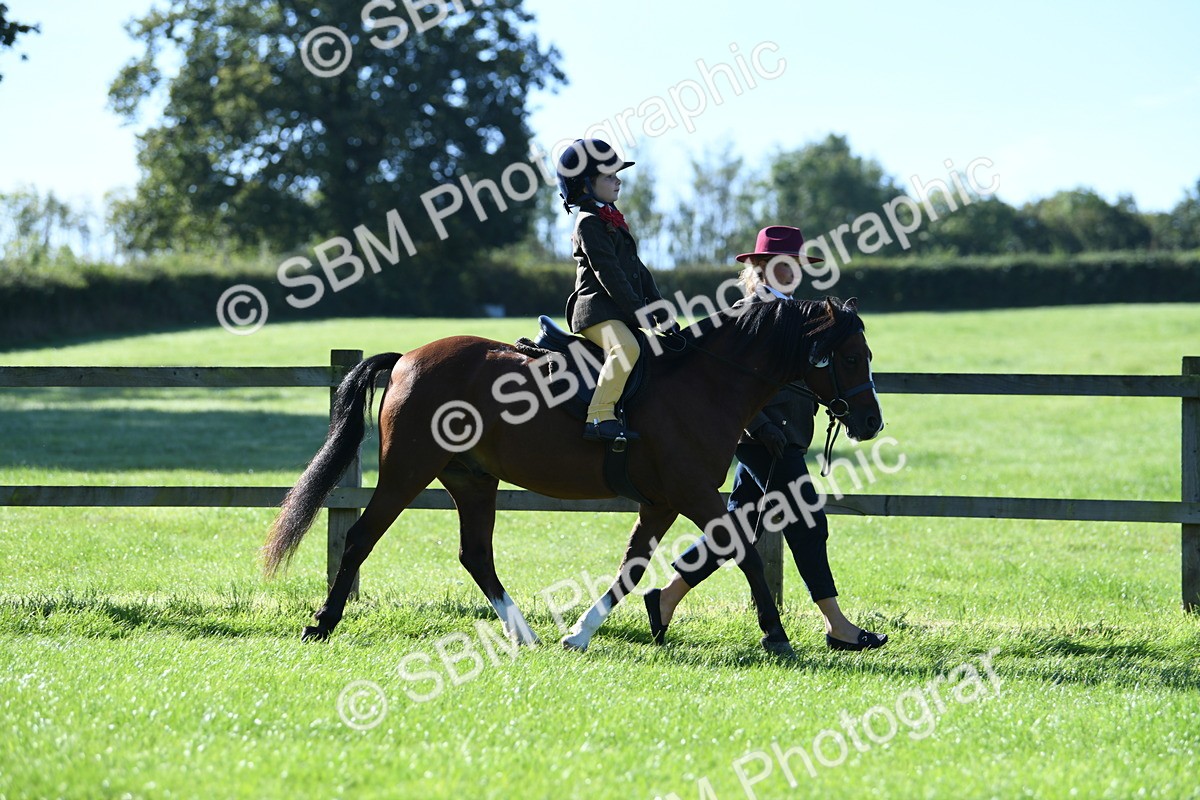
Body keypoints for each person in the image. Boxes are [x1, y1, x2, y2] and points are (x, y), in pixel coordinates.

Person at [644, 225, 888, 651]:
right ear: (760, 267)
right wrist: (760, 426)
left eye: (796, 264)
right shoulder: (748, 314)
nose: (792, 271)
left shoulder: (801, 317)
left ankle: (665, 598)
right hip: (763, 441)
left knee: (738, 527)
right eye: (782, 264)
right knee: (808, 523)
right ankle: (838, 626)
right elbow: (727, 384)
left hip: (790, 437)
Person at [556, 138, 674, 443]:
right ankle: (599, 416)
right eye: (609, 176)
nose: (618, 181)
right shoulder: (588, 223)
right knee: (626, 348)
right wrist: (639, 311)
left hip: (615, 310)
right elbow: (609, 274)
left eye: (616, 175)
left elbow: (637, 269)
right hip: (595, 311)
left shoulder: (610, 217)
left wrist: (659, 307)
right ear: (585, 185)